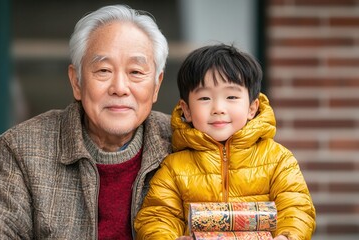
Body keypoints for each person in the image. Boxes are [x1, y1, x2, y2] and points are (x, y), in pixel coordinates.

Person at [0, 4, 171, 239]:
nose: (120, 88)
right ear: (77, 81)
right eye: (103, 70)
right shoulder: (21, 149)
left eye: (136, 72)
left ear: (156, 85)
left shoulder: (185, 144)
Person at [134, 44, 316, 240]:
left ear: (252, 108)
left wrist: (287, 236)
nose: (218, 108)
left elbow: (297, 208)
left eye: (231, 96)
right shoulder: (174, 167)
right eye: (204, 98)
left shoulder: (279, 160)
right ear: (186, 110)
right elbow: (157, 216)